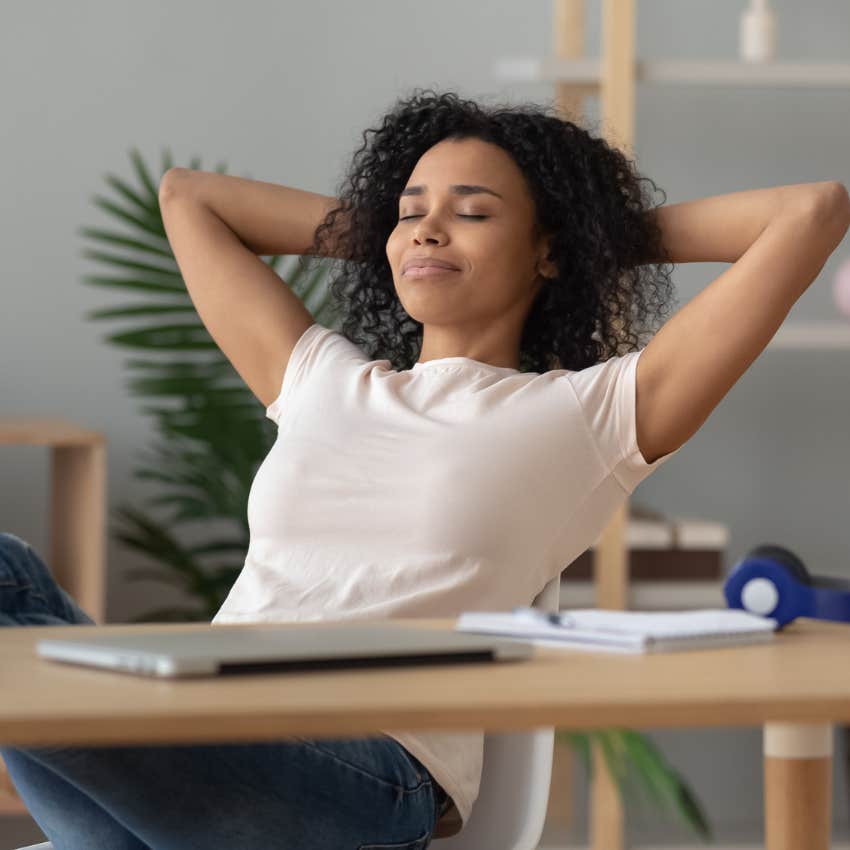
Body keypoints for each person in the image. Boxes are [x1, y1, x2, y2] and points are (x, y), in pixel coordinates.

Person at [4, 86, 846, 850]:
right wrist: (412, 232)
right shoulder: (320, 380)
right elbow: (189, 198)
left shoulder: (588, 415)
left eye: (472, 213)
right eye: (409, 212)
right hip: (191, 739)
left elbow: (812, 211)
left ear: (547, 251)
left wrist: (589, 232)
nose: (426, 230)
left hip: (363, 778)